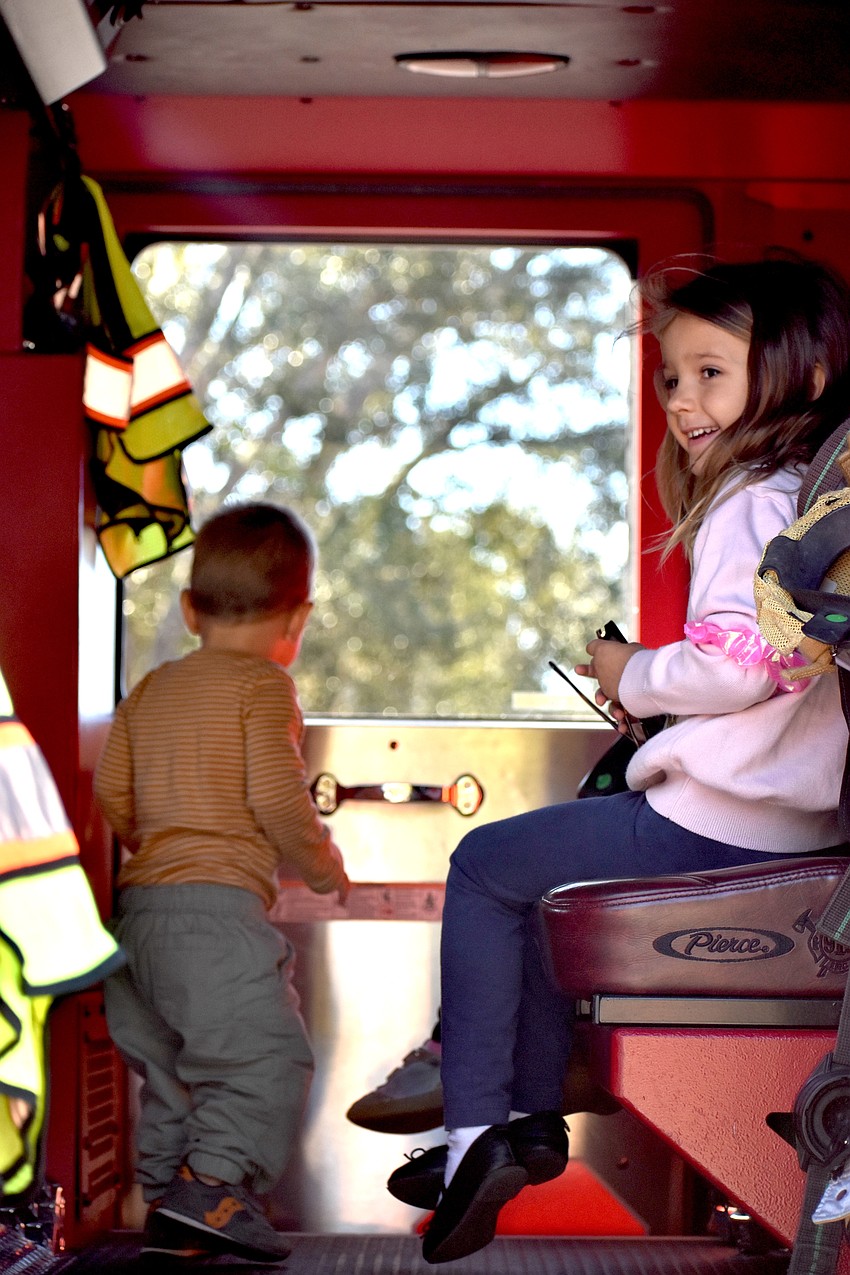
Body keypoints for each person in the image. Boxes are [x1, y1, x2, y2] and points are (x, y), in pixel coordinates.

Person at [387, 253, 850, 1265]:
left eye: (710, 373)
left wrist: (631, 671)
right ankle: (531, 1125)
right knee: (549, 884)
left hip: (716, 822)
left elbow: (739, 668)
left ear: (802, 376)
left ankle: (476, 1134)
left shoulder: (750, 501)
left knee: (483, 865)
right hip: (787, 818)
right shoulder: (808, 507)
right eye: (671, 377)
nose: (683, 400)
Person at [94, 502, 350, 1264]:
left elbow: (113, 792)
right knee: (268, 1059)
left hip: (135, 919)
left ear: (187, 608)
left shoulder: (150, 690)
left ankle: (170, 1210)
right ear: (296, 620)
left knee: (171, 1075)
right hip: (217, 918)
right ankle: (211, 1185)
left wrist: (156, 844)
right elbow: (277, 796)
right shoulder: (265, 688)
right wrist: (321, 863)